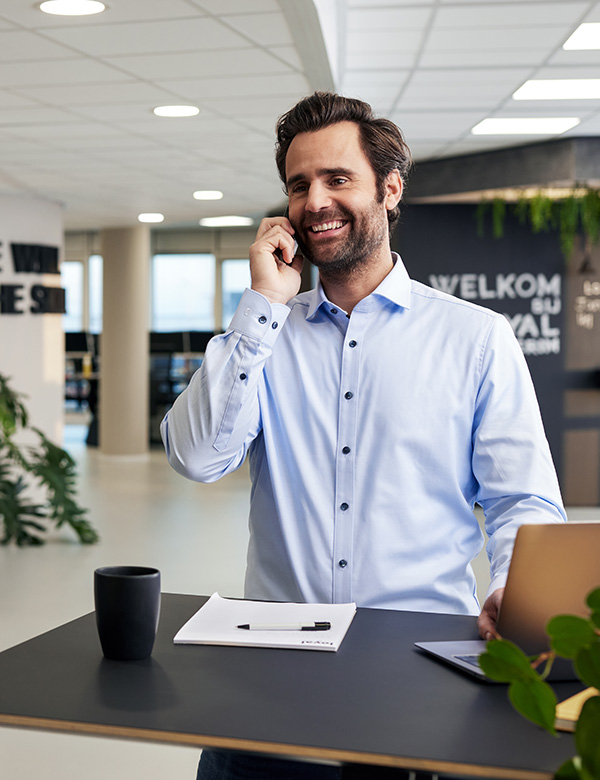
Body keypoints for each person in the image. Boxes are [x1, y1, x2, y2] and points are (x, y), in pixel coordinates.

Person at [161, 92, 566, 780]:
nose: (314, 200)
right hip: (268, 699)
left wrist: (512, 588)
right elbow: (197, 457)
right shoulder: (262, 338)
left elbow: (522, 500)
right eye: (298, 184)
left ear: (390, 187)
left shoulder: (475, 338)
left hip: (425, 688)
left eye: (336, 178)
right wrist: (262, 306)